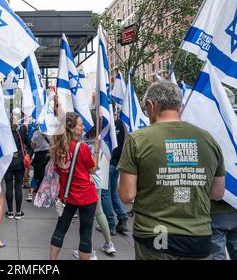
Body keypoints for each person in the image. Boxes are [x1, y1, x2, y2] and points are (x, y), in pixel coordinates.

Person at [118, 80, 225, 260]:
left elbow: (127, 195)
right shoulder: (208, 139)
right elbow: (217, 193)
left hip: (155, 236)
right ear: (179, 106)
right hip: (198, 236)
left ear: (151, 105)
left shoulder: (138, 139)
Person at [49, 112, 98, 260]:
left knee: (60, 229)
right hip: (87, 196)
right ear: (71, 128)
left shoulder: (57, 148)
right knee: (85, 234)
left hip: (66, 196)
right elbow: (92, 169)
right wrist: (96, 149)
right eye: (80, 124)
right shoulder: (81, 148)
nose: (83, 127)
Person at [82, 118, 116, 255]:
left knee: (87, 216)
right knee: (99, 212)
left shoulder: (82, 142)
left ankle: (88, 250)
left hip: (86, 182)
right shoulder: (100, 139)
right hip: (97, 181)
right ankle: (109, 243)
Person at [100, 117, 129, 235]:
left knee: (105, 193)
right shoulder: (122, 124)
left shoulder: (105, 124)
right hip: (117, 163)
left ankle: (109, 224)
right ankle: (123, 217)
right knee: (112, 193)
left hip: (107, 162)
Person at [4, 118, 28, 219]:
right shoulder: (20, 132)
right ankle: (18, 212)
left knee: (8, 186)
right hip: (19, 162)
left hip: (7, 162)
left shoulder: (3, 133)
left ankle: (10, 211)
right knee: (18, 187)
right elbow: (30, 143)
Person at [26, 126, 50, 201]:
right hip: (48, 155)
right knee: (46, 175)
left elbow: (32, 146)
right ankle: (43, 194)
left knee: (36, 175)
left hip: (38, 155)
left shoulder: (36, 133)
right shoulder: (50, 132)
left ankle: (30, 194)